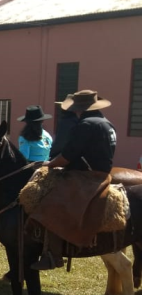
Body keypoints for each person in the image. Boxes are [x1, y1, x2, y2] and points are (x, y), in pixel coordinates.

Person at [32, 90, 116, 270]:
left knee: (50, 203)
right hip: (102, 174)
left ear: (79, 108)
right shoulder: (106, 123)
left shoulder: (85, 125)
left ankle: (53, 255)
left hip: (86, 176)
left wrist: (49, 164)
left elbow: (67, 156)